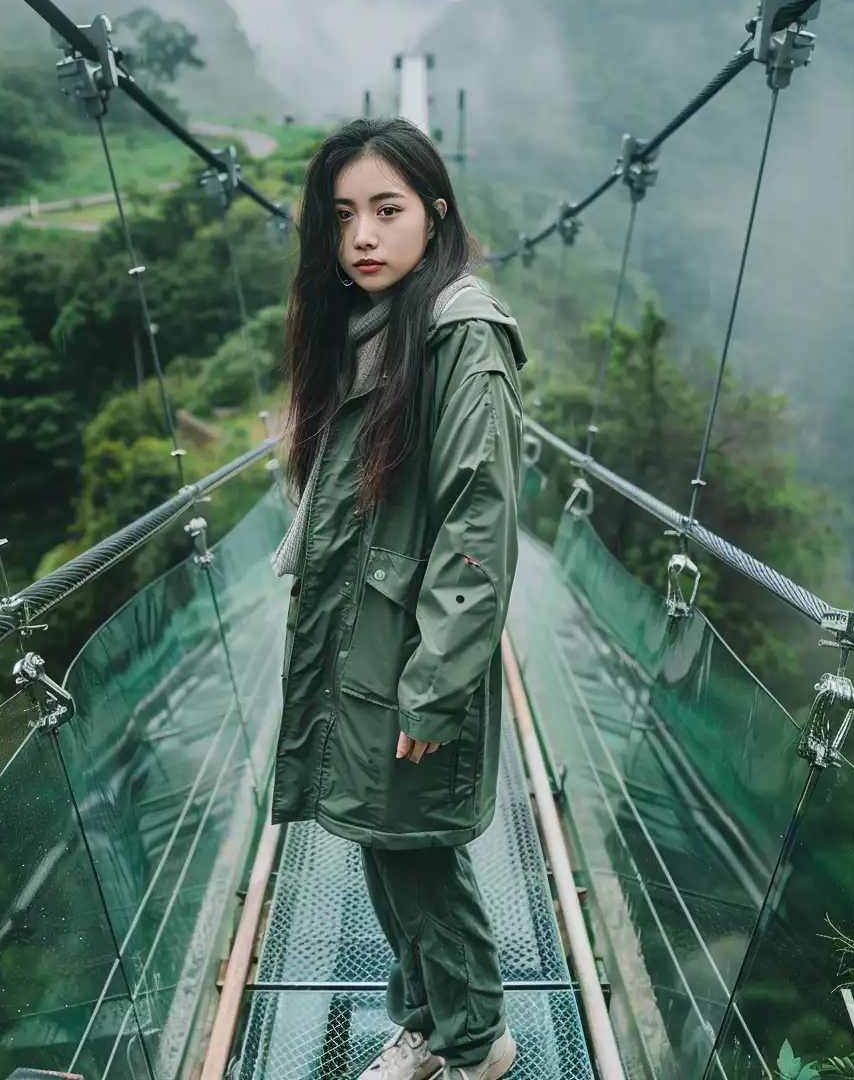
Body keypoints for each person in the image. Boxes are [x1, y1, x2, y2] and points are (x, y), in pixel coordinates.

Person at [270, 118, 525, 1080]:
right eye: (343, 217)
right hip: (359, 640)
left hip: (412, 655)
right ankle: (421, 1020)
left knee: (417, 853)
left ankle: (475, 1044)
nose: (363, 237)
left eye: (387, 210)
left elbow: (476, 523)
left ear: (436, 215)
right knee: (386, 841)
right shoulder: (372, 336)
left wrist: (435, 686)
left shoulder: (463, 337)